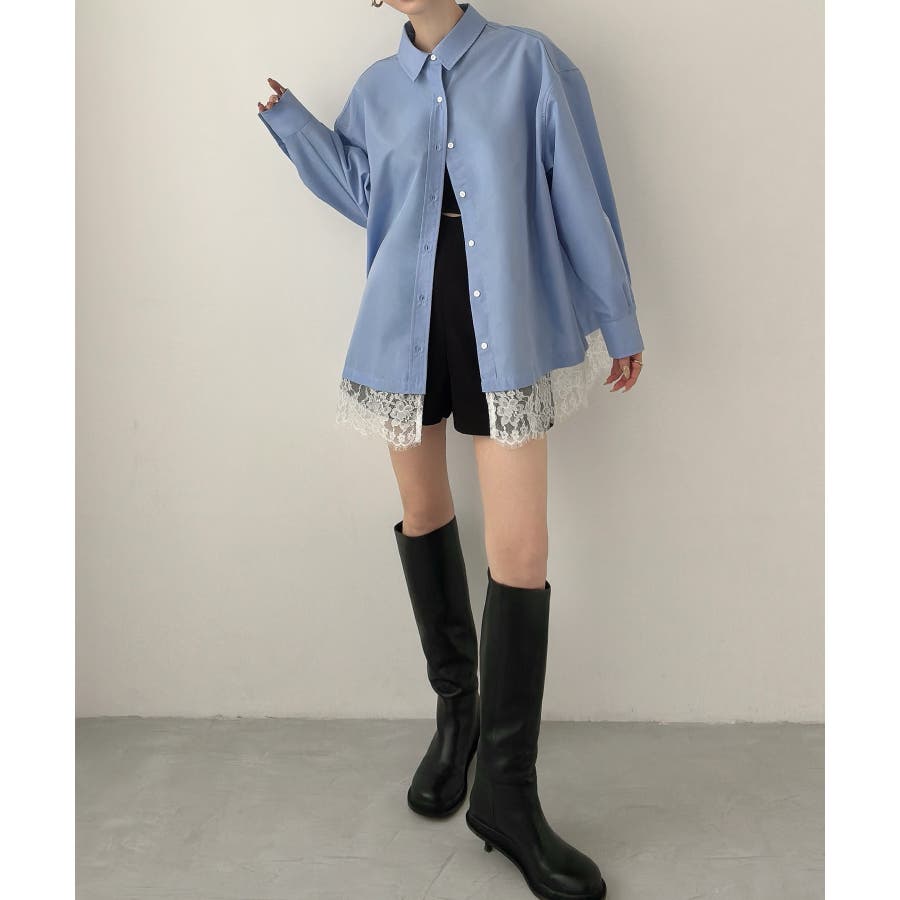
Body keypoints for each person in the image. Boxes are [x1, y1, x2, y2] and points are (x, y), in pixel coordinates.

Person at [257, 3, 644, 898]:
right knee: (425, 513)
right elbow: (368, 196)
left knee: (520, 554)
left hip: (505, 327)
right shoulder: (376, 90)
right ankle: (457, 715)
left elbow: (579, 193)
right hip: (402, 329)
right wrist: (293, 126)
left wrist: (617, 317)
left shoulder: (530, 65)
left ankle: (506, 792)